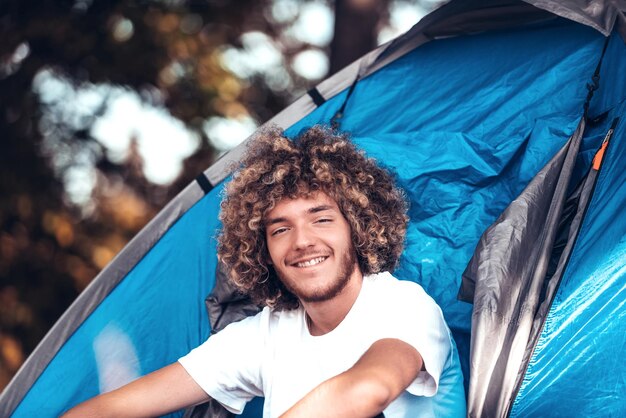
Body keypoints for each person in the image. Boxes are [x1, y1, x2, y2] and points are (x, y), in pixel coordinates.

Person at [63, 126, 466, 418]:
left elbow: (368, 389)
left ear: (357, 228)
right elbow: (113, 407)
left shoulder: (403, 306)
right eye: (280, 229)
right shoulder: (267, 335)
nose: (302, 241)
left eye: (321, 219)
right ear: (263, 251)